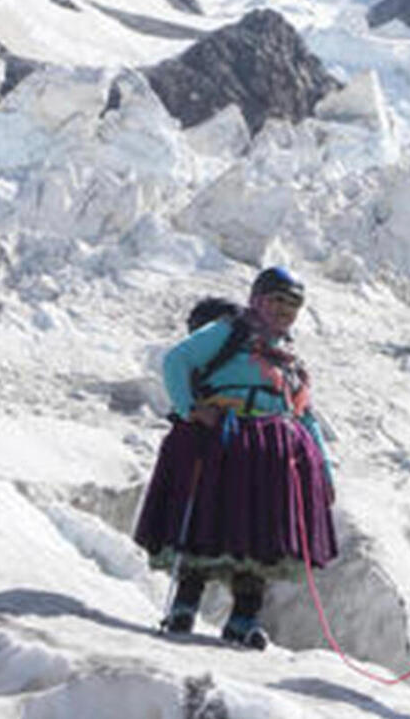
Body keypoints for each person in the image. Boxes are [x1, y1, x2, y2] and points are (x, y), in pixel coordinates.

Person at [131, 265, 337, 649]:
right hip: (222, 439)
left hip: (269, 449)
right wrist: (191, 408)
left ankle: (244, 617)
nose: (284, 310)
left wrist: (322, 468)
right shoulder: (230, 331)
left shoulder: (288, 359)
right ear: (257, 299)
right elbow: (177, 361)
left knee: (259, 533)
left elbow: (303, 413)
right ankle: (185, 605)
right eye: (277, 299)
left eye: (293, 304)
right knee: (210, 518)